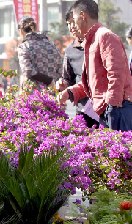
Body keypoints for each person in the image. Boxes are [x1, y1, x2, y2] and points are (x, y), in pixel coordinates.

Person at [57, 0, 132, 131]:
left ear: (82, 16)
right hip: (107, 110)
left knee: (119, 150)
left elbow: (116, 74)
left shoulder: (105, 36)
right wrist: (70, 92)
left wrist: (112, 106)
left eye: (74, 20)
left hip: (117, 109)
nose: (72, 26)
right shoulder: (91, 41)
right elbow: (94, 81)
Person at [56, 10, 99, 128]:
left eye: (73, 22)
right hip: (83, 108)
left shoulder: (99, 43)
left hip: (102, 107)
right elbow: (67, 78)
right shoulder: (70, 50)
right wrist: (62, 85)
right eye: (68, 24)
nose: (71, 27)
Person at [17, 16, 62, 87]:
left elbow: (28, 71)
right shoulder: (51, 44)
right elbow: (60, 68)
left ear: (21, 31)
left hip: (34, 93)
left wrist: (48, 80)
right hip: (52, 91)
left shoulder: (24, 46)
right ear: (35, 28)